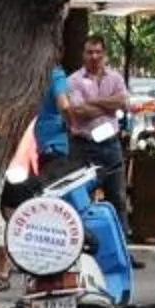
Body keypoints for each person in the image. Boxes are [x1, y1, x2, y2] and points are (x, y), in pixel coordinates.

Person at [60, 35, 131, 208]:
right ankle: (88, 235)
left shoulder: (116, 78)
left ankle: (120, 235)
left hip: (110, 145)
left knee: (118, 199)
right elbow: (79, 112)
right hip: (84, 146)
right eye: (90, 52)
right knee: (83, 201)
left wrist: (93, 102)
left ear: (104, 54)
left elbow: (123, 102)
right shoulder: (73, 81)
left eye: (98, 52)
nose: (94, 56)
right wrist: (110, 105)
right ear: (83, 54)